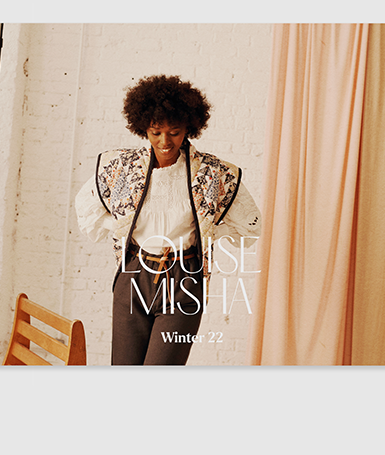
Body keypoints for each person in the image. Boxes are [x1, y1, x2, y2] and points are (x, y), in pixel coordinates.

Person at [75, 75, 261, 365]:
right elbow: (88, 209)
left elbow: (250, 224)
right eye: (156, 132)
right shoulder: (122, 167)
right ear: (143, 128)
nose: (165, 141)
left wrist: (210, 232)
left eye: (174, 132)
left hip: (184, 279)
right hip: (133, 275)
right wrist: (120, 227)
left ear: (189, 128)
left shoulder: (212, 173)